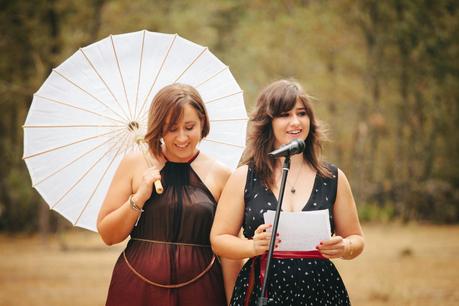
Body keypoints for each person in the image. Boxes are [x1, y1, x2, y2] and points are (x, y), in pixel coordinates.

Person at [210, 79, 364, 306]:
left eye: (301, 113)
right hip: (262, 290)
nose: (295, 122)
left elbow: (357, 239)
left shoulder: (333, 178)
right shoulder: (244, 176)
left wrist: (345, 247)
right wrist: (252, 247)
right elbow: (219, 239)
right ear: (268, 122)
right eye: (284, 114)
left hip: (321, 292)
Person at [97, 83, 241, 306]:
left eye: (189, 127)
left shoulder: (223, 175)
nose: (182, 137)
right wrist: (139, 197)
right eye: (172, 128)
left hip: (201, 292)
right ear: (159, 128)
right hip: (136, 289)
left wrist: (234, 302)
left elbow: (231, 251)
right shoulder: (135, 163)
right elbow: (108, 235)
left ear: (202, 122)